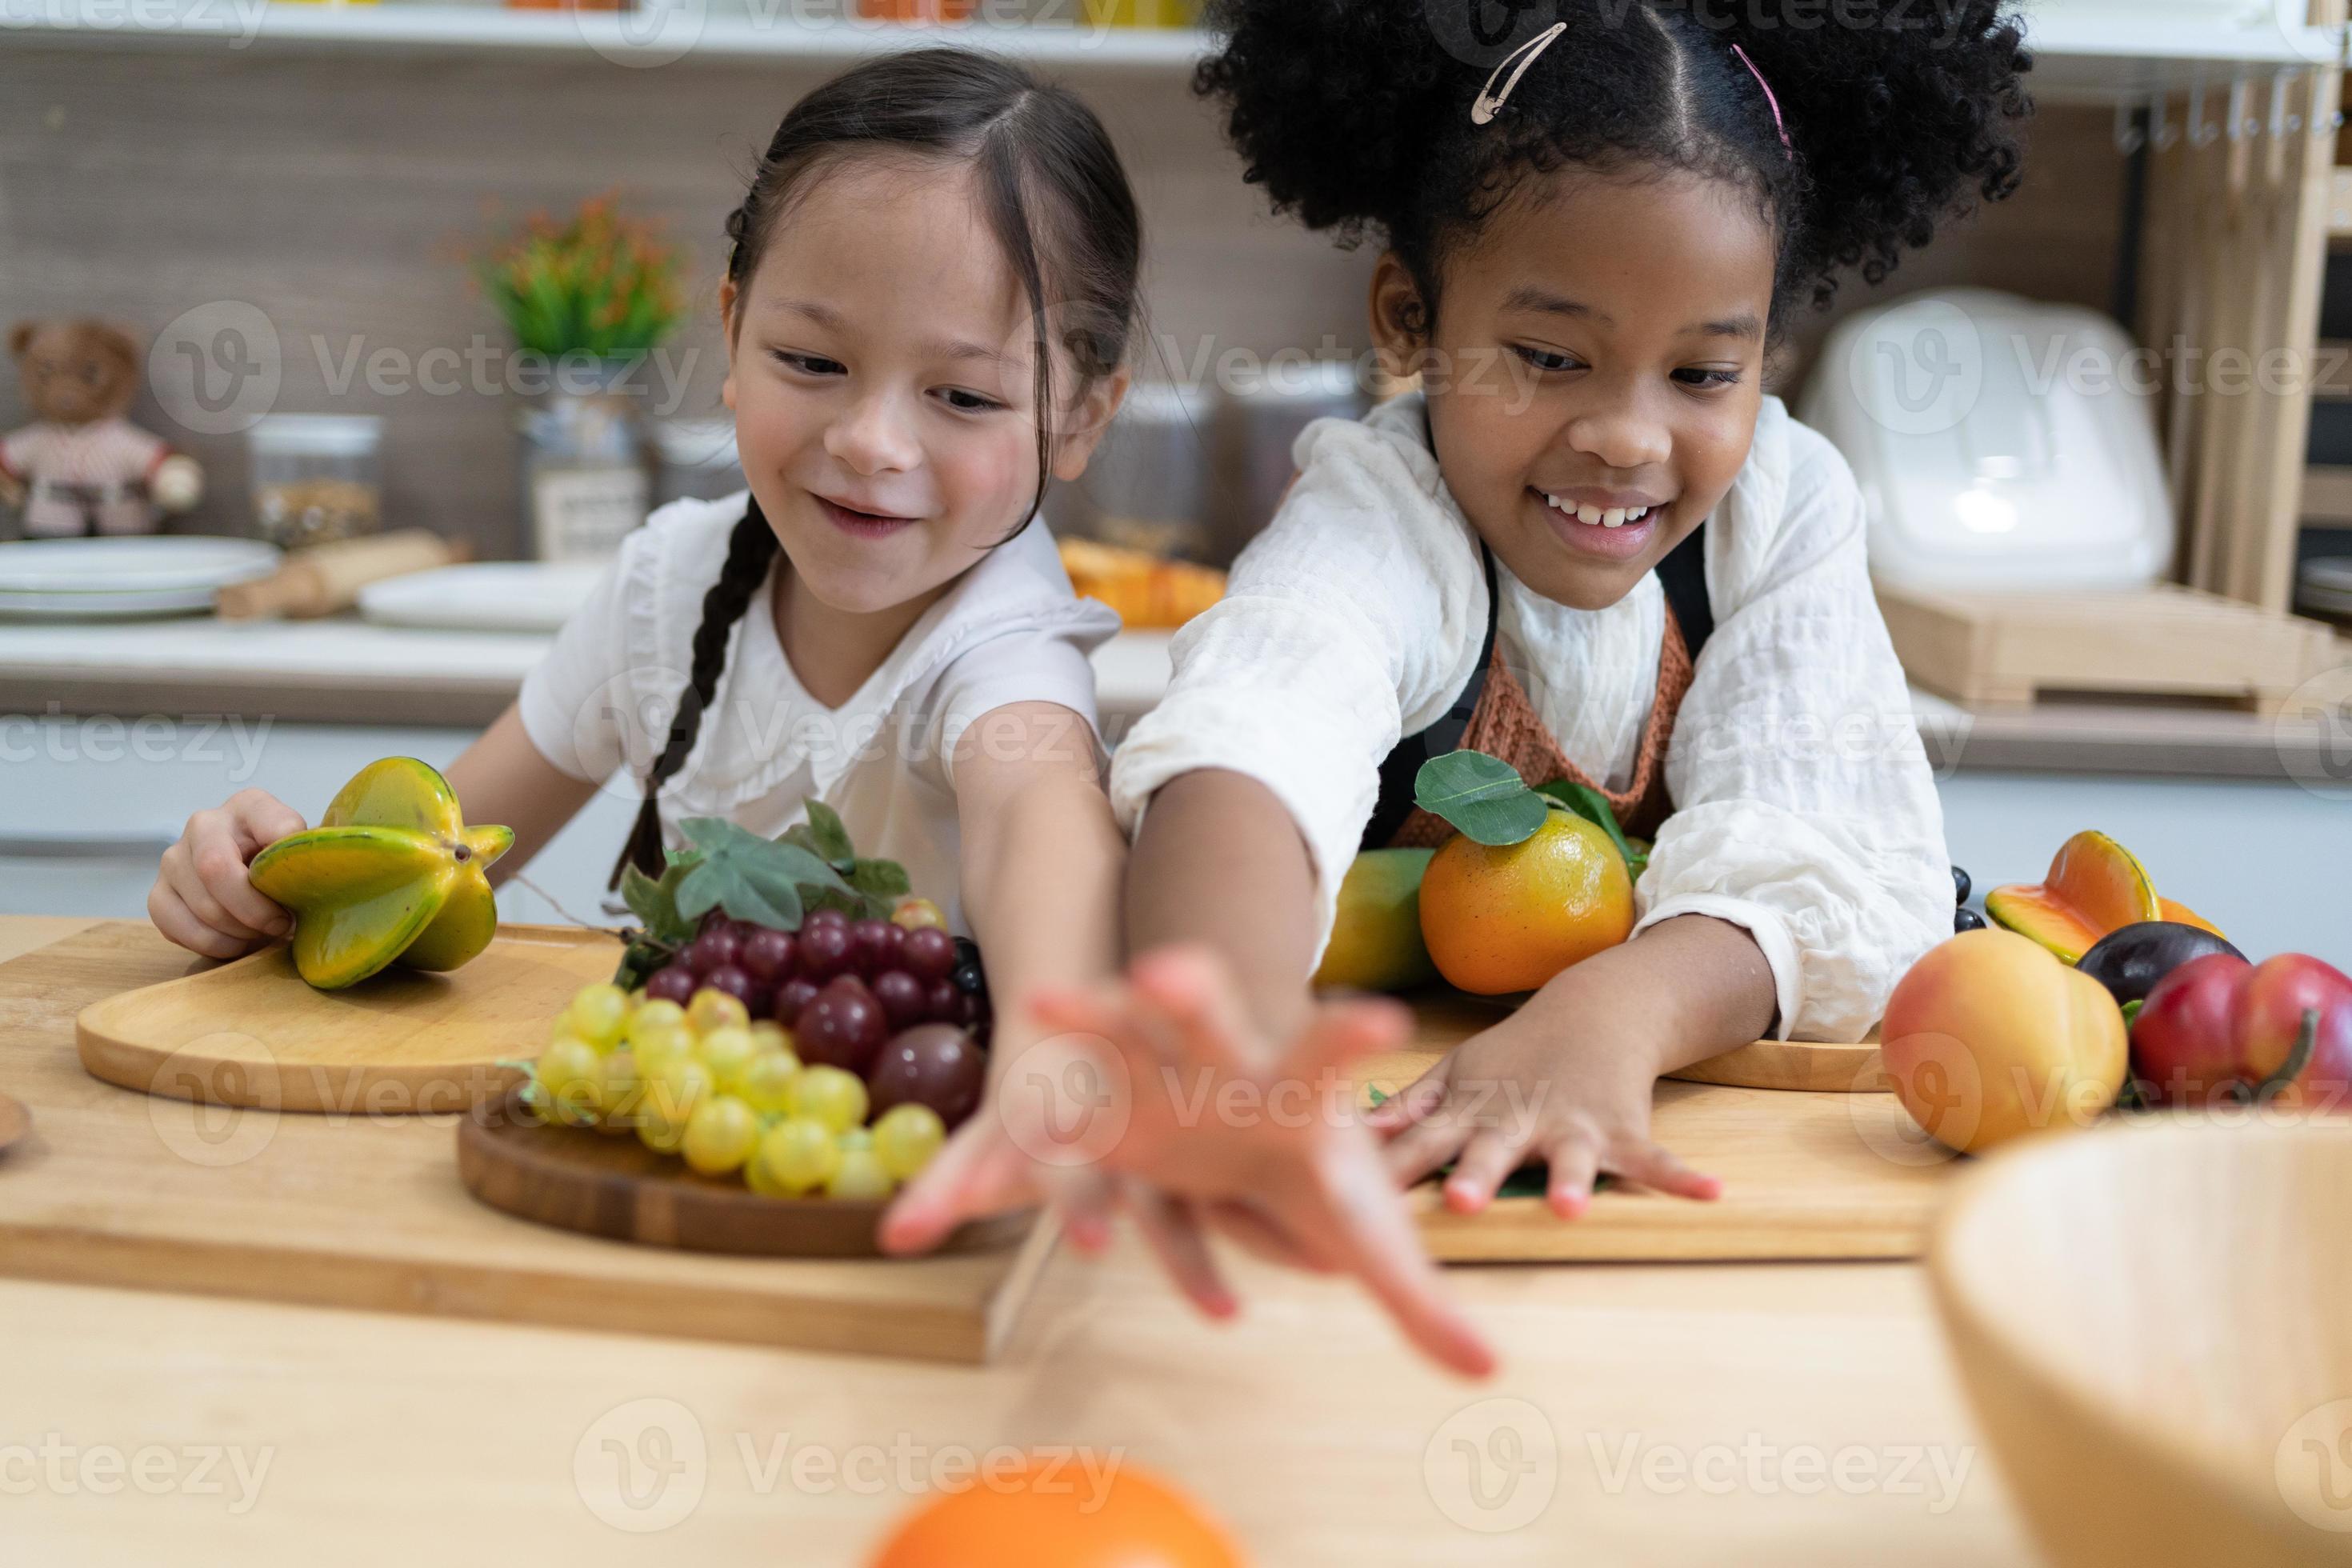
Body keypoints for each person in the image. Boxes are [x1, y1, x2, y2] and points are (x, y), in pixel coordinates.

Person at [994, 0, 2029, 1352]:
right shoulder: (1386, 511)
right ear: (1412, 321)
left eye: (1703, 371)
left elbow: (1826, 848)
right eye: (1549, 358)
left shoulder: (1782, 506)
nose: (1626, 436)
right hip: (1390, 1184)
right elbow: (1251, 746)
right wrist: (1224, 1053)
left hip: (1681, 1186)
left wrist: (1616, 1013)